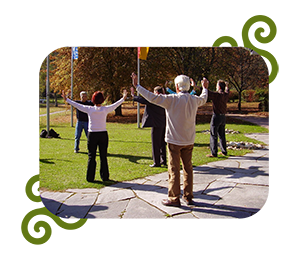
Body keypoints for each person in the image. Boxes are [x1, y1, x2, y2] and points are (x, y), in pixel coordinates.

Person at [131, 73, 208, 207]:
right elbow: (204, 97)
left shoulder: (171, 99)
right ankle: (188, 196)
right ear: (188, 87)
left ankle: (174, 198)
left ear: (177, 87)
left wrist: (137, 86)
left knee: (173, 170)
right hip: (189, 140)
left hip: (174, 141)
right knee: (188, 168)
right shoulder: (194, 99)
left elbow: (151, 97)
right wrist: (205, 87)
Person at [62, 89, 128, 182]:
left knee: (91, 156)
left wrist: (67, 99)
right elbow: (115, 105)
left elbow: (77, 105)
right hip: (103, 134)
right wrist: (123, 98)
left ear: (93, 99)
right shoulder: (105, 109)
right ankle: (105, 177)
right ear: (102, 100)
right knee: (103, 156)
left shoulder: (90, 109)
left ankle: (90, 178)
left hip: (92, 134)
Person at [191, 78, 229, 157]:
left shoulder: (217, 95)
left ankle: (214, 153)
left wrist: (196, 86)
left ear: (218, 87)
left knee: (213, 134)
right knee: (222, 135)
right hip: (223, 117)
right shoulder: (225, 94)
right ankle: (224, 151)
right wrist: (227, 86)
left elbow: (206, 91)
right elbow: (227, 90)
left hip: (216, 116)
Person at [130, 86, 166, 167]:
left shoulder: (154, 100)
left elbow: (143, 100)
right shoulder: (164, 99)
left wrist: (133, 96)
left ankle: (156, 162)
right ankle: (163, 160)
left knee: (155, 144)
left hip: (156, 124)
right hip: (163, 123)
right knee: (162, 143)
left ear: (156, 92)